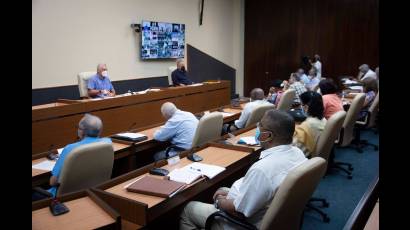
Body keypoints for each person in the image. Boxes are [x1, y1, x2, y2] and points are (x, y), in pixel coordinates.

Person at [180, 110, 307, 230]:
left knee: (188, 209)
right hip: (273, 213)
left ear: (268, 135)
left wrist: (220, 201)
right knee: (223, 189)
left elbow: (239, 212)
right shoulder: (298, 153)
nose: (257, 128)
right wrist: (228, 195)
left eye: (260, 125)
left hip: (242, 223)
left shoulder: (262, 170)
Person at [48, 114, 112, 197]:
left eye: (78, 128)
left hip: (63, 198)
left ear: (82, 131)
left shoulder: (70, 149)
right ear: (100, 131)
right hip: (92, 193)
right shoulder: (107, 143)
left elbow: (53, 182)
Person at [293, 92, 327, 157]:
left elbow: (295, 148)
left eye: (301, 105)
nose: (300, 107)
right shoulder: (323, 119)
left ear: (306, 107)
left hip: (305, 157)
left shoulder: (307, 125)